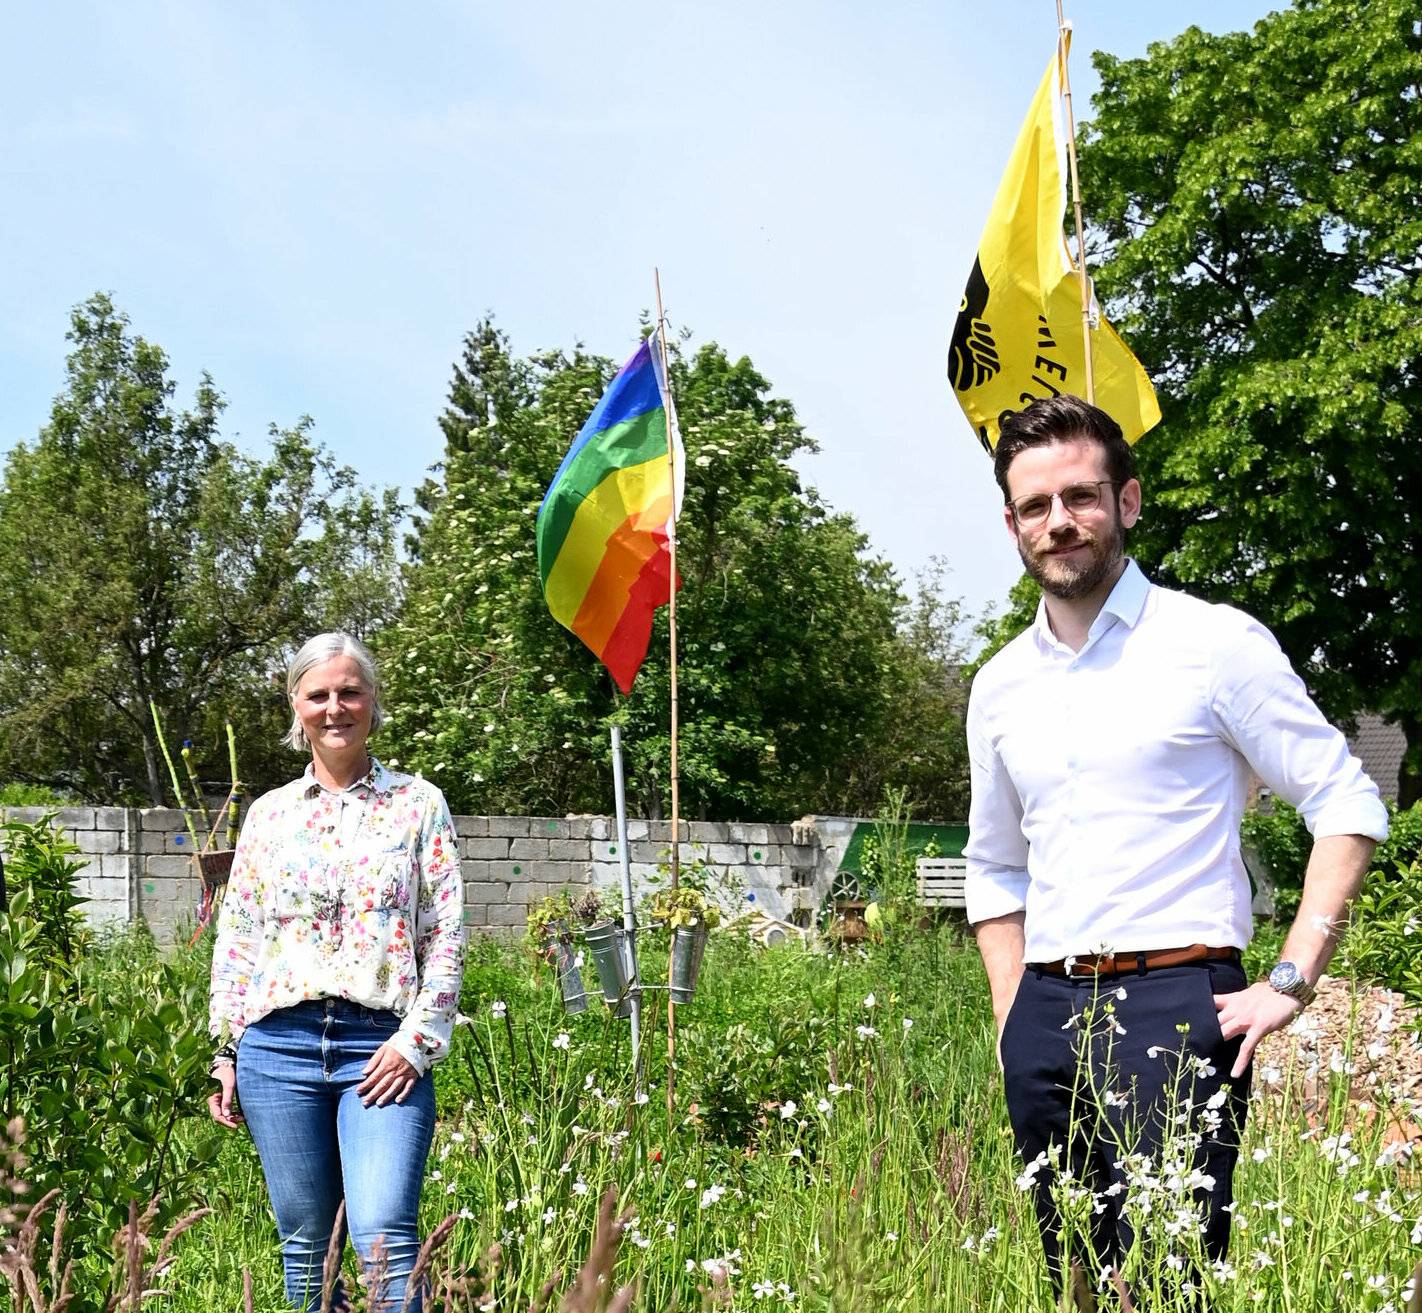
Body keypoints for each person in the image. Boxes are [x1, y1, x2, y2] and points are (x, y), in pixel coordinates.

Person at [964, 395, 1388, 1298]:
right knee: (1069, 1275)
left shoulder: (1213, 645)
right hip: (1043, 1011)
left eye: (1080, 495)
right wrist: (1012, 1011)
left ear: (1128, 501)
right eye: (1035, 507)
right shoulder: (998, 686)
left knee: (1168, 1279)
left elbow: (1345, 797)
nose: (1059, 522)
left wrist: (1293, 976)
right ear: (1012, 524)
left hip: (1177, 1000)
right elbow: (995, 862)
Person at [208, 632, 465, 1311]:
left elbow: (445, 935)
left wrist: (417, 1041)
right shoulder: (269, 815)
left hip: (380, 1048)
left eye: (349, 691)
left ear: (372, 701)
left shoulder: (418, 804)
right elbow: (237, 937)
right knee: (306, 1247)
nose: (334, 706)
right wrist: (225, 1048)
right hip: (277, 1050)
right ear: (296, 705)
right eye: (317, 693)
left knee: (383, 1234)